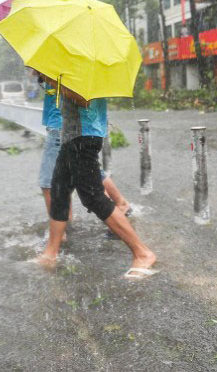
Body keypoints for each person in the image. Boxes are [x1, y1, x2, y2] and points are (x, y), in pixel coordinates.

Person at [37, 85, 157, 280]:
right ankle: (51, 253)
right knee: (59, 191)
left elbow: (84, 99)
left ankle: (143, 253)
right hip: (70, 137)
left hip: (84, 137)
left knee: (93, 197)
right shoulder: (74, 66)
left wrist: (59, 85)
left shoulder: (83, 66)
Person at [37, 75, 131, 221]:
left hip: (64, 125)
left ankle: (61, 231)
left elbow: (82, 99)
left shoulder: (63, 64)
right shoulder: (78, 64)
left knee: (50, 183)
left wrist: (49, 79)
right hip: (78, 126)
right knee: (83, 176)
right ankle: (120, 204)